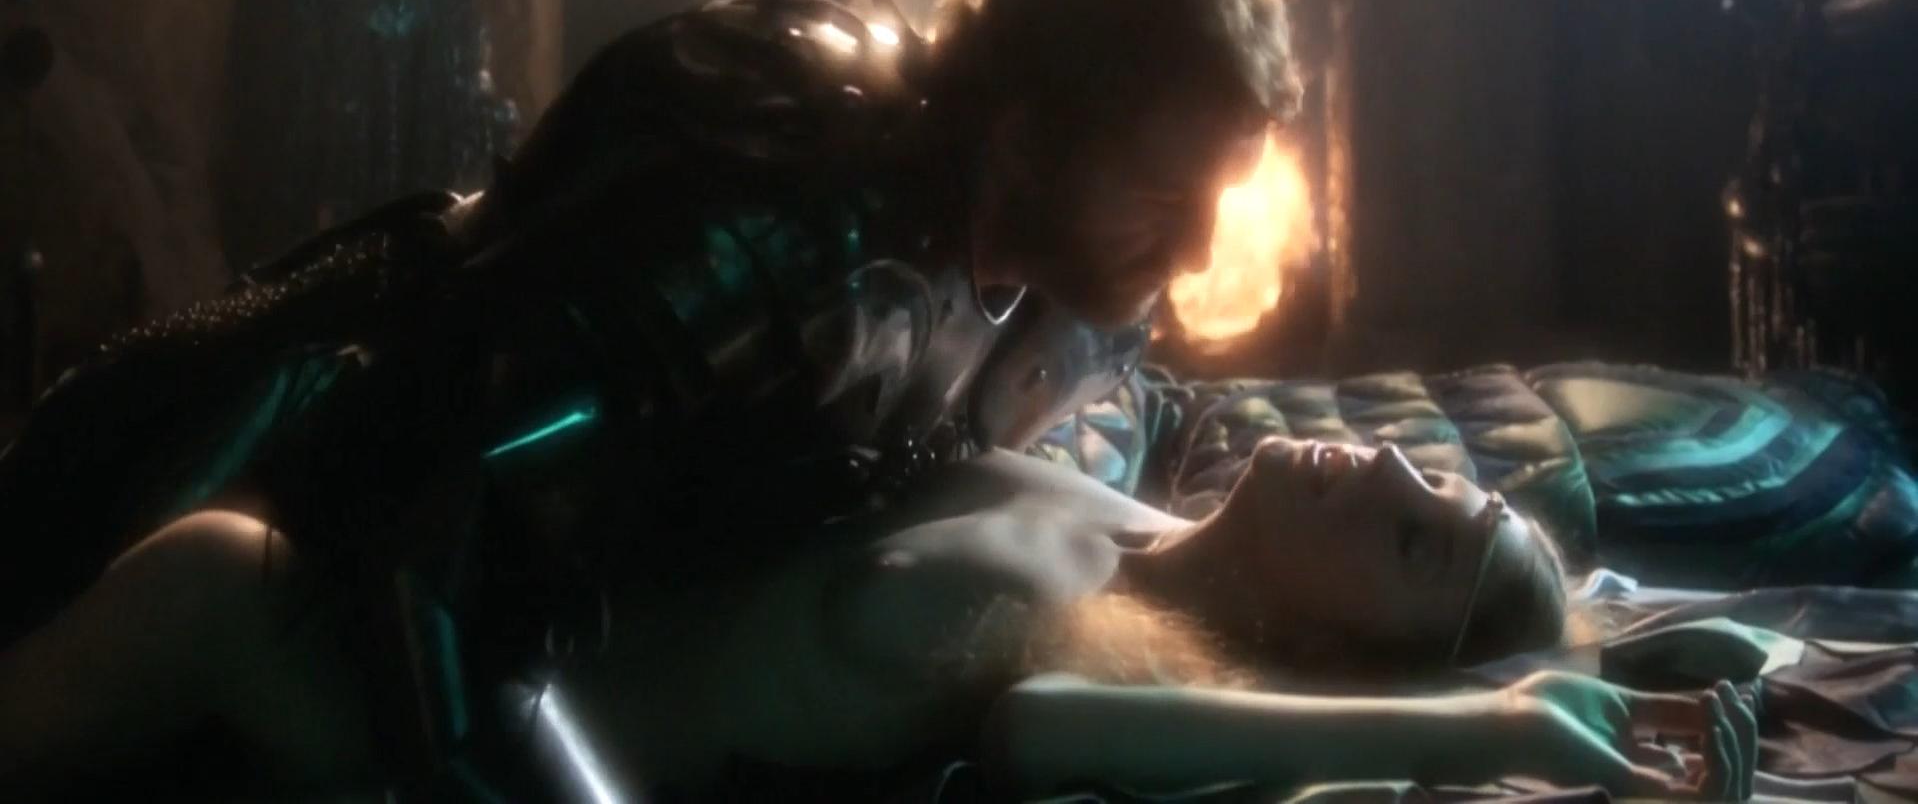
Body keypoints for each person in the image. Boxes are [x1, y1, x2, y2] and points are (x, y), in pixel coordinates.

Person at [0, 0, 1296, 796]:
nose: (1193, 250)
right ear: (1027, 137)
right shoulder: (795, 199)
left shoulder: (1059, 281)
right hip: (265, 470)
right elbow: (426, 498)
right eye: (1162, 195)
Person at [0, 437, 1758, 800]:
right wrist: (1636, 644)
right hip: (483, 596)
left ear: (1343, 654)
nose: (1378, 466)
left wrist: (1485, 727)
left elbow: (1044, 733)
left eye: (1408, 543)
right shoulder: (1114, 495)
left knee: (215, 577)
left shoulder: (1148, 661)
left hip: (462, 743)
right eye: (1425, 476)